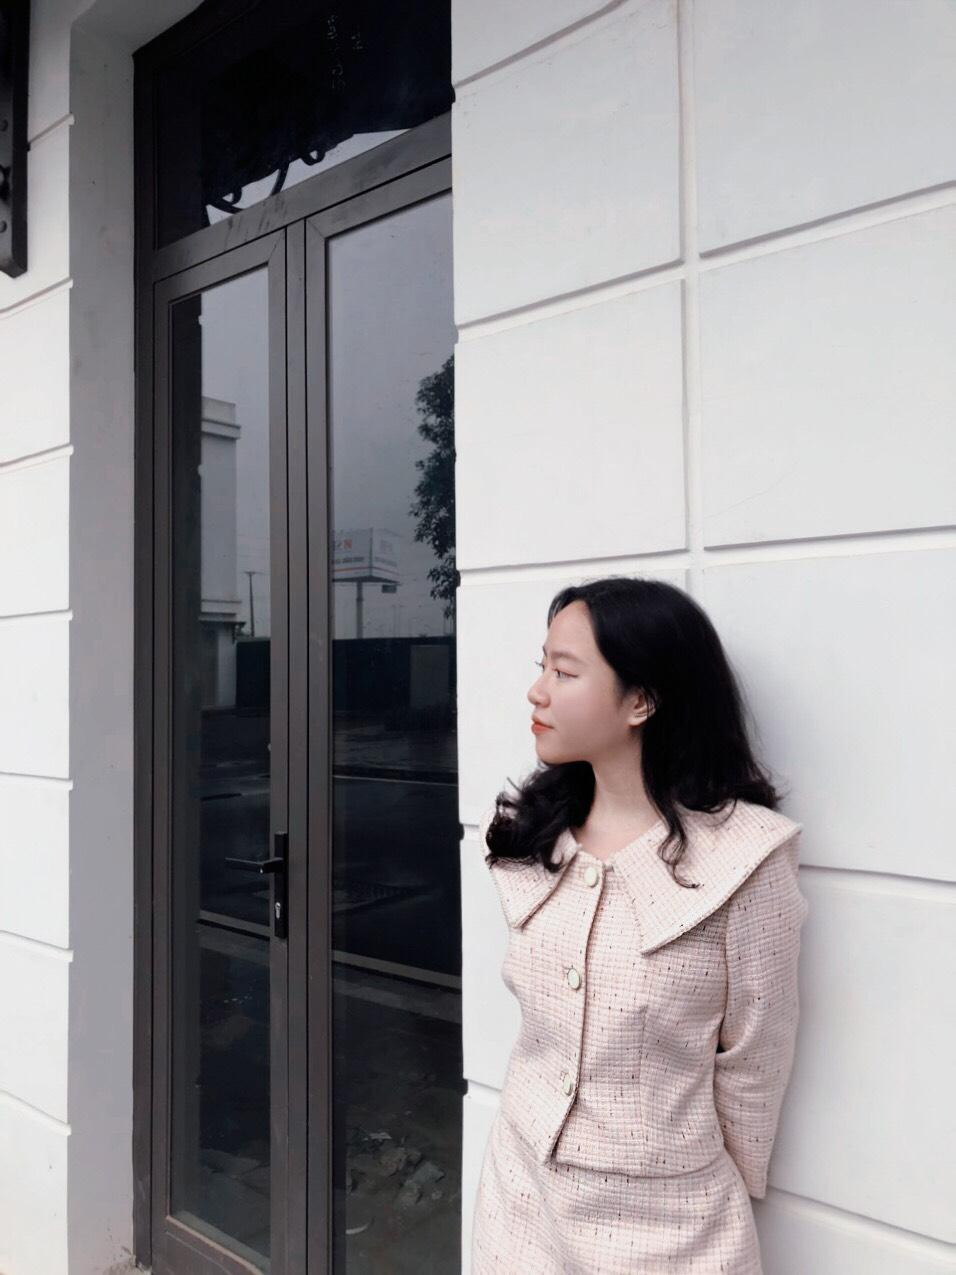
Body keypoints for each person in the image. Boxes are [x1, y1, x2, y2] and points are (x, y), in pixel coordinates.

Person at [471, 576, 810, 1274]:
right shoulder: (532, 838)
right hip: (520, 1203)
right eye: (542, 666)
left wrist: (700, 1178)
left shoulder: (746, 860)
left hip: (671, 1229)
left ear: (642, 701)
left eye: (565, 672)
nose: (537, 691)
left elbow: (757, 1056)